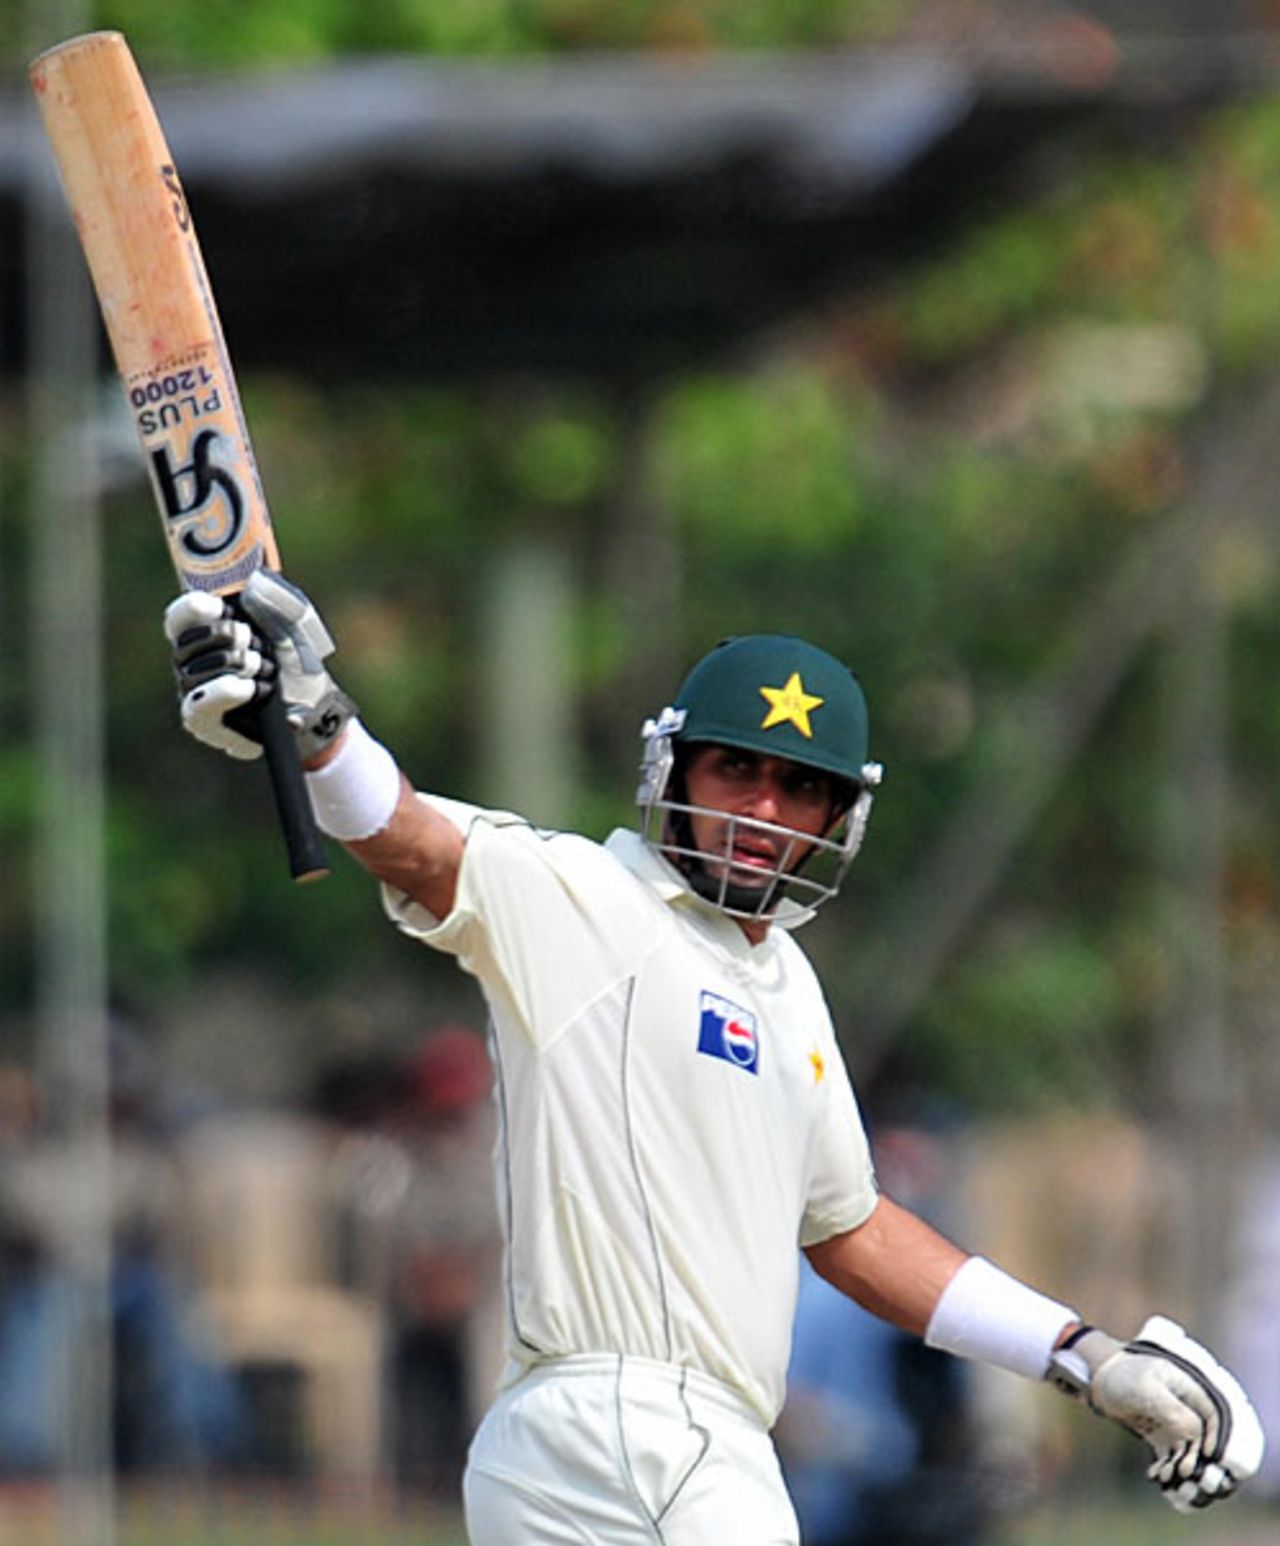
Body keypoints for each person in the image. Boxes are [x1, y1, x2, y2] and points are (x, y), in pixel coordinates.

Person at [162, 571, 1265, 1543]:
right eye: (734, 770)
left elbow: (849, 1227)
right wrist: (314, 730)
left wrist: (1077, 1354)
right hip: (637, 1432)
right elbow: (406, 835)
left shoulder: (786, 986)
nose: (761, 812)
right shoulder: (594, 902)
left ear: (840, 814)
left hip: (638, 1448)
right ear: (672, 769)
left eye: (797, 788)